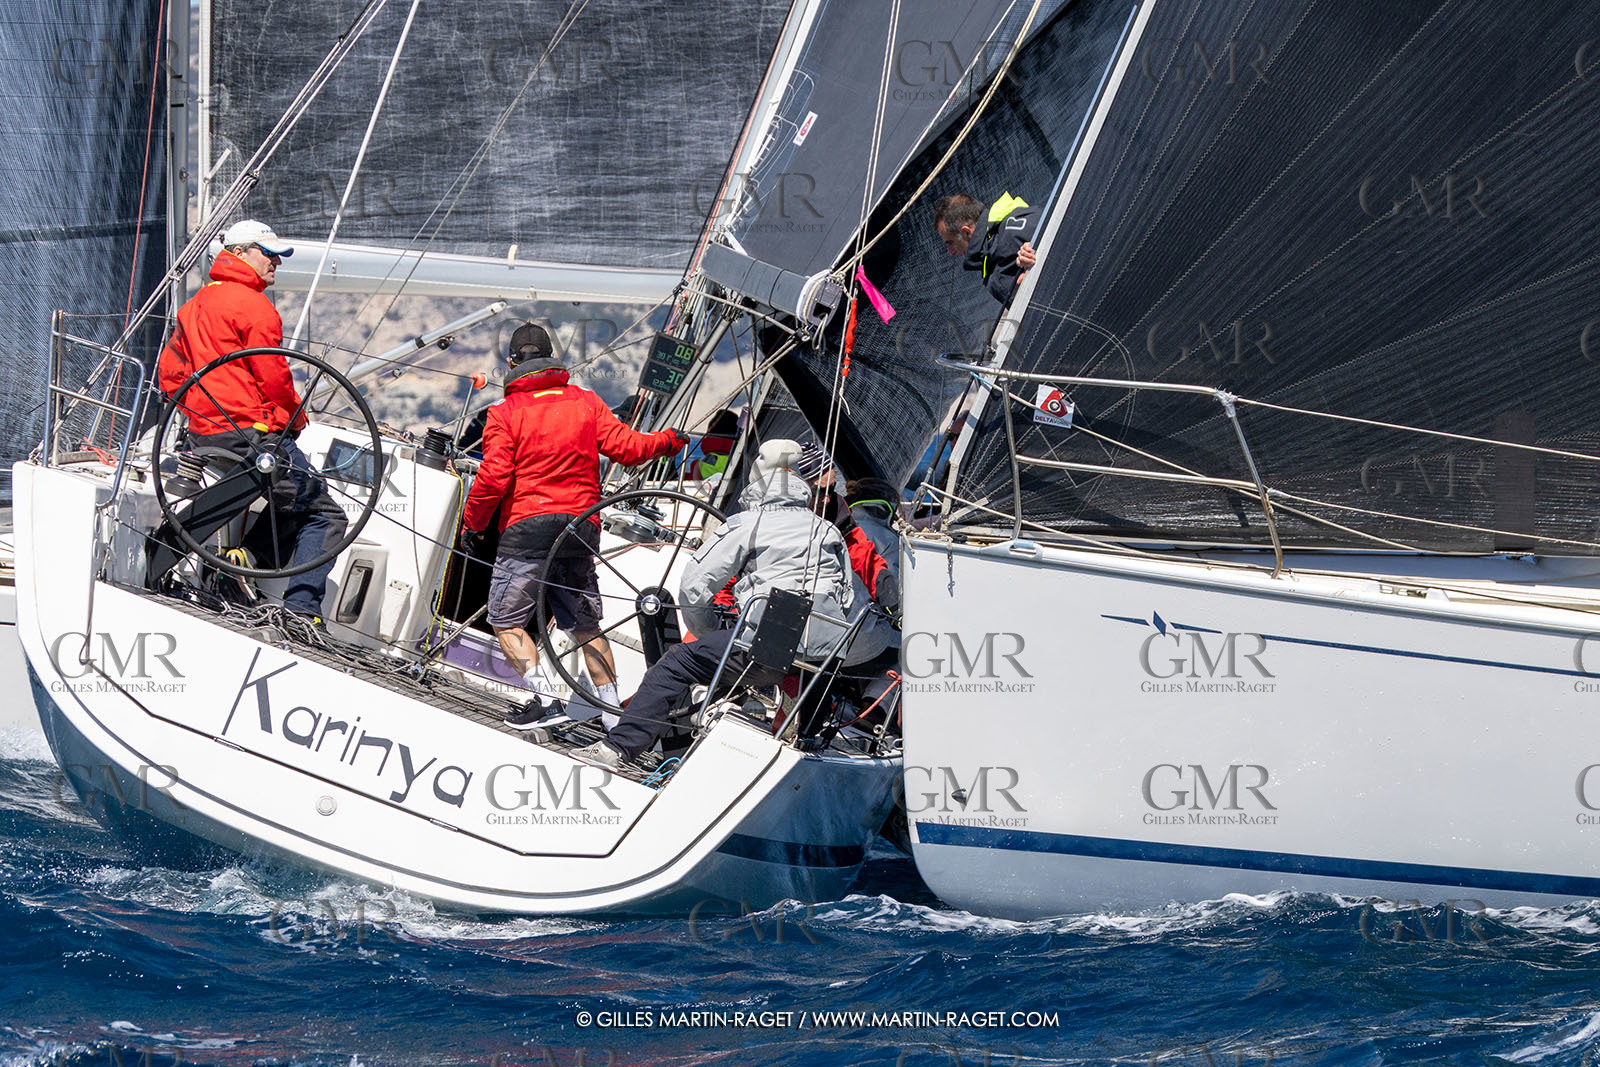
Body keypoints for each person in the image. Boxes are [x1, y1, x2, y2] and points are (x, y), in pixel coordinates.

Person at [573, 440, 893, 769]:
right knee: (808, 667)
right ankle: (804, 738)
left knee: (676, 663)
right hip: (828, 649)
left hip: (771, 643)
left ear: (757, 479)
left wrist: (710, 631)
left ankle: (618, 749)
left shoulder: (748, 523)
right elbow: (847, 596)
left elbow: (695, 587)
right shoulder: (829, 531)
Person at [460, 322, 688, 729]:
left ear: (511, 364)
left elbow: (493, 479)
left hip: (528, 528)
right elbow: (630, 449)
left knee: (506, 620)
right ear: (552, 358)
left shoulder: (505, 413)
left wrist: (473, 525)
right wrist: (669, 440)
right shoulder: (586, 401)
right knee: (586, 626)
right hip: (580, 528)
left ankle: (547, 701)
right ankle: (613, 716)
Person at [157, 218, 348, 626]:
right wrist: (294, 420)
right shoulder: (255, 306)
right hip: (251, 435)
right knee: (327, 515)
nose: (276, 262)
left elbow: (171, 374)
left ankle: (244, 559)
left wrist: (197, 413)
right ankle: (302, 611)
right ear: (239, 253)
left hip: (204, 434)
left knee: (293, 498)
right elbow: (273, 376)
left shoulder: (195, 305)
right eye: (269, 254)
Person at [932, 192, 1039, 305]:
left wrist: (1036, 252)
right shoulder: (1020, 216)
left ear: (966, 232)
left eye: (950, 242)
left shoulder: (1011, 237)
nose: (950, 251)